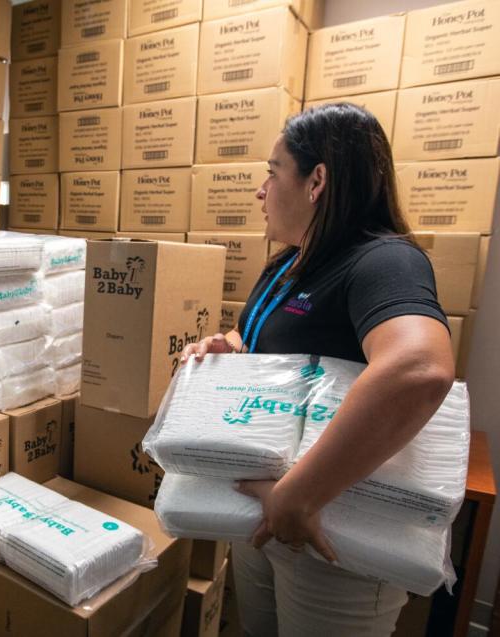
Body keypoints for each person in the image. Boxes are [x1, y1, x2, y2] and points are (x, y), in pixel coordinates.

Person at [178, 103, 456, 637]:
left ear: (317, 181)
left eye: (273, 171)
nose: (260, 190)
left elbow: (420, 368)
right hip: (268, 516)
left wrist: (299, 495)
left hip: (330, 532)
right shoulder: (292, 261)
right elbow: (286, 342)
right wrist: (232, 346)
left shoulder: (383, 260)